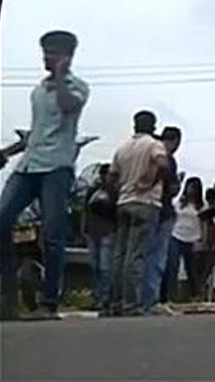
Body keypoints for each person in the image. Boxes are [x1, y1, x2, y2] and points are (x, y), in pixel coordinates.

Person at [0, 30, 91, 321]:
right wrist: (7, 153)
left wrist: (62, 76)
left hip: (56, 168)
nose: (46, 58)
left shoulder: (78, 87)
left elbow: (67, 106)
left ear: (67, 55)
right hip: (29, 165)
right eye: (45, 53)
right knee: (1, 220)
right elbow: (35, 134)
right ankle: (9, 295)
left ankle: (49, 302)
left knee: (53, 235)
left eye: (52, 53)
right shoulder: (37, 91)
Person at [109, 111, 169, 317]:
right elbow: (163, 165)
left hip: (123, 202)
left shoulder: (122, 149)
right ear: (153, 126)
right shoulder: (154, 145)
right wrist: (150, 183)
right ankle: (131, 303)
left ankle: (114, 302)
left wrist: (123, 189)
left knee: (119, 254)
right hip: (146, 203)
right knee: (136, 255)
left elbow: (112, 177)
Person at [144, 125, 183, 314]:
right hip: (161, 210)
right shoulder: (167, 159)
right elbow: (171, 188)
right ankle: (151, 299)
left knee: (137, 255)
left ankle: (131, 299)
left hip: (140, 205)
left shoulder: (145, 153)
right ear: (176, 141)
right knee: (157, 257)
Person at [84, 163, 118, 313]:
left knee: (105, 267)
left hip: (108, 232)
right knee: (94, 267)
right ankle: (97, 297)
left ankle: (105, 299)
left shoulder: (115, 192)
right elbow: (85, 210)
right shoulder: (93, 191)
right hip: (92, 232)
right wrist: (83, 229)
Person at [165, 177, 205, 302]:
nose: (190, 190)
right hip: (176, 235)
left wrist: (201, 240)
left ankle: (196, 295)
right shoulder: (179, 203)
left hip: (193, 238)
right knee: (173, 266)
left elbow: (204, 224)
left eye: (193, 187)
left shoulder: (202, 206)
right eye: (189, 186)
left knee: (192, 269)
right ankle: (170, 296)